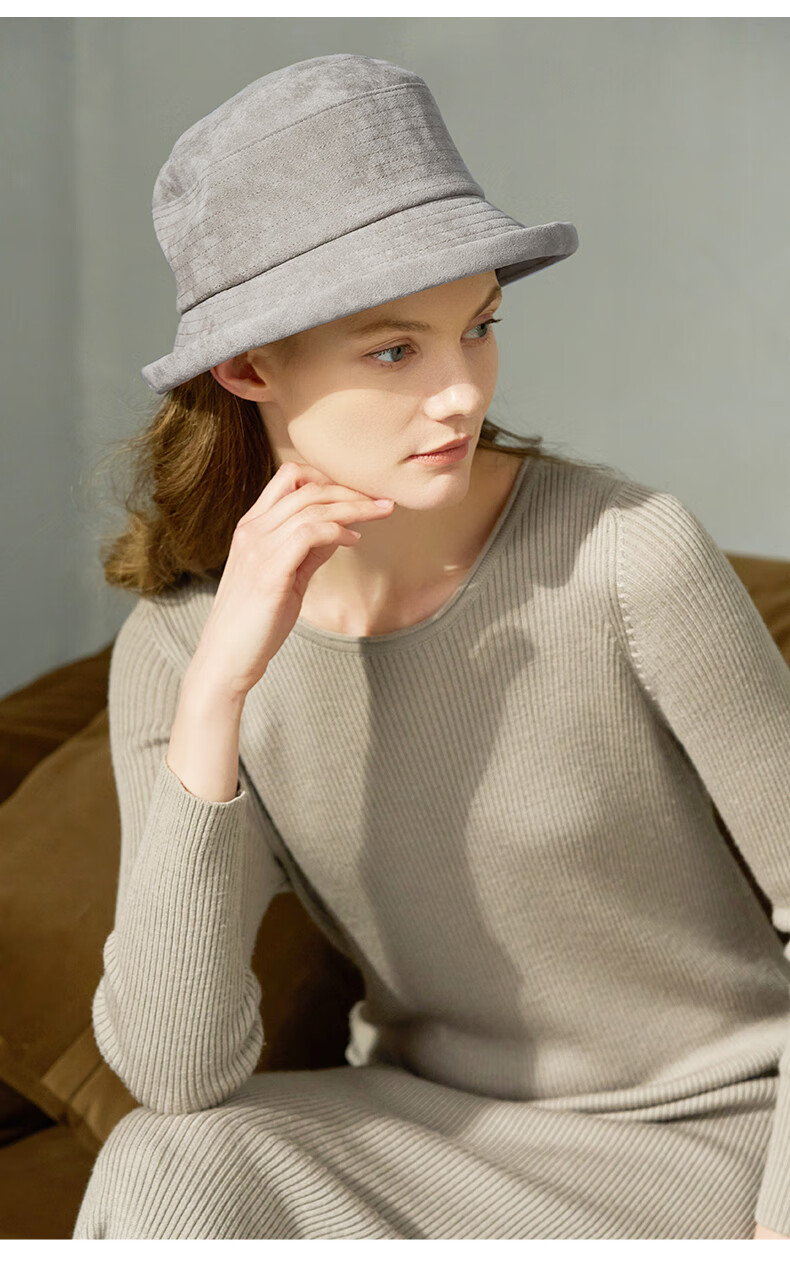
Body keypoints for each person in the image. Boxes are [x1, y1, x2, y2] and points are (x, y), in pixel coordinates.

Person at [72, 54, 790, 1240]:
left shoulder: (628, 555)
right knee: (167, 1158)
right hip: (435, 1137)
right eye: (394, 350)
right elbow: (175, 1069)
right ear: (248, 368)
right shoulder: (179, 648)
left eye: (478, 327)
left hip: (712, 1137)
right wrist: (217, 693)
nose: (460, 393)